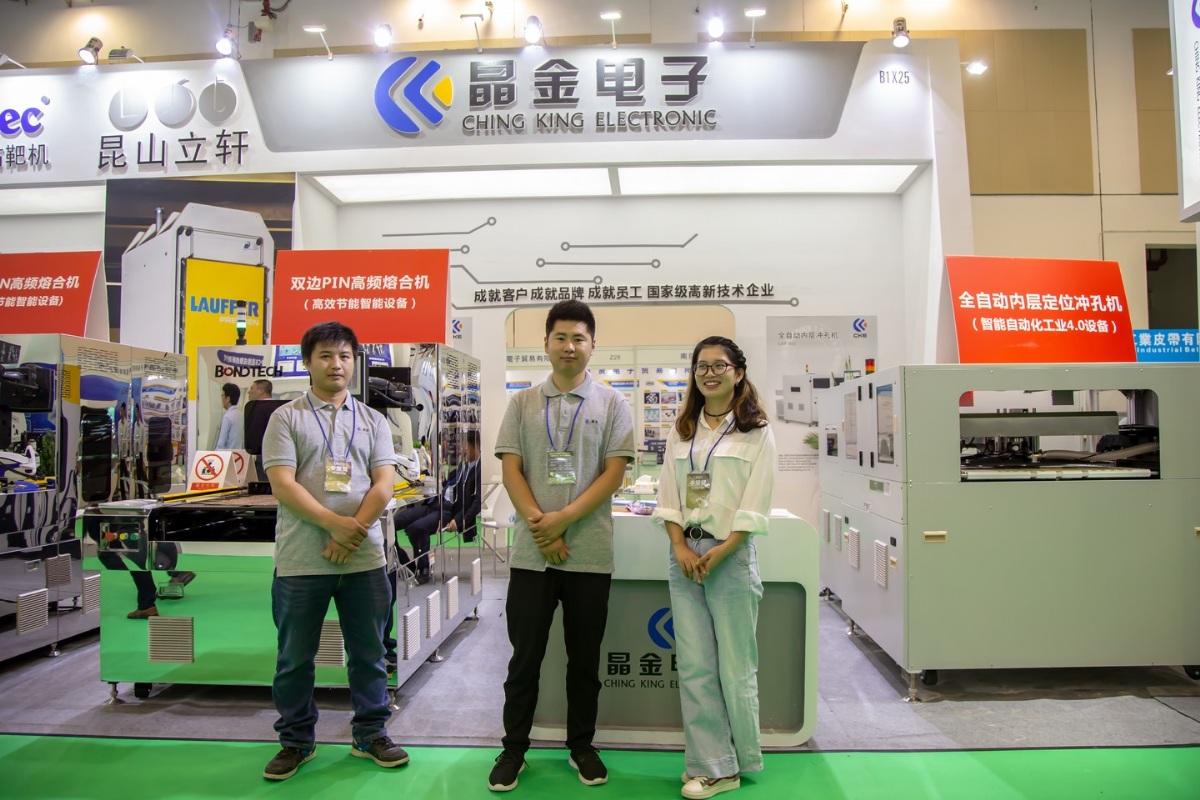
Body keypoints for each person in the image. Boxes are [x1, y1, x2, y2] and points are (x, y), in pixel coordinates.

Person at [489, 299, 635, 792]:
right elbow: (511, 469)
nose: (569, 346)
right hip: (533, 556)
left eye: (579, 338)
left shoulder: (613, 404)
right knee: (523, 659)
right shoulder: (523, 403)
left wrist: (563, 521)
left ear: (593, 345)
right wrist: (540, 526)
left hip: (589, 555)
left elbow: (613, 474)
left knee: (585, 661)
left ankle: (582, 747)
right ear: (546, 344)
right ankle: (513, 749)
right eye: (560, 338)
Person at [260, 321, 408, 782]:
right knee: (294, 658)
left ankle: (371, 733)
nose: (336, 364)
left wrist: (353, 531)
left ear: (354, 361)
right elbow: (283, 484)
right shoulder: (285, 419)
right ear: (308, 362)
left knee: (369, 653)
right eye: (325, 355)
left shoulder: (374, 421)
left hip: (364, 559)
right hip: (302, 559)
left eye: (344, 355)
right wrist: (334, 525)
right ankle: (296, 741)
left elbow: (384, 484)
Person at [652, 336, 776, 800]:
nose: (709, 373)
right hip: (685, 556)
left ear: (738, 373)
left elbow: (756, 501)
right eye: (701, 366)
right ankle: (713, 766)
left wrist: (723, 550)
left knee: (736, 666)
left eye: (719, 365)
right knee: (695, 666)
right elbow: (668, 496)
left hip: (730, 556)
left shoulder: (756, 432)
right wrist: (679, 546)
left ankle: (740, 759)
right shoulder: (682, 430)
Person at [392, 429, 482, 585]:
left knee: (416, 528)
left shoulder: (479, 469)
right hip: (435, 504)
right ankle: (406, 563)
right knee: (394, 522)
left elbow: (476, 503)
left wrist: (460, 521)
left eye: (466, 447)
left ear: (476, 446)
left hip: (449, 512)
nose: (463, 450)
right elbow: (450, 484)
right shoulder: (463, 465)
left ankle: (423, 568)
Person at [214, 382, 244, 450]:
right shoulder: (240, 415)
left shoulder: (227, 417)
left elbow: (221, 443)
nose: (221, 398)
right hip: (238, 454)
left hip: (227, 454)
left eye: (222, 395)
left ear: (228, 399)